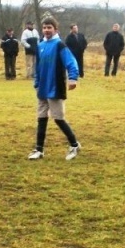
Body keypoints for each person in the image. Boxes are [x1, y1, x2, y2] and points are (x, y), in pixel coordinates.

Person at [27, 16, 82, 161]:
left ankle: (74, 145)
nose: (46, 30)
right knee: (41, 118)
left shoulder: (60, 45)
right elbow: (38, 67)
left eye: (49, 27)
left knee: (58, 119)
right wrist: (37, 82)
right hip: (42, 89)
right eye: (44, 28)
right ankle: (39, 150)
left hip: (55, 88)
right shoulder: (40, 46)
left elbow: (71, 62)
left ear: (55, 29)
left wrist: (73, 78)